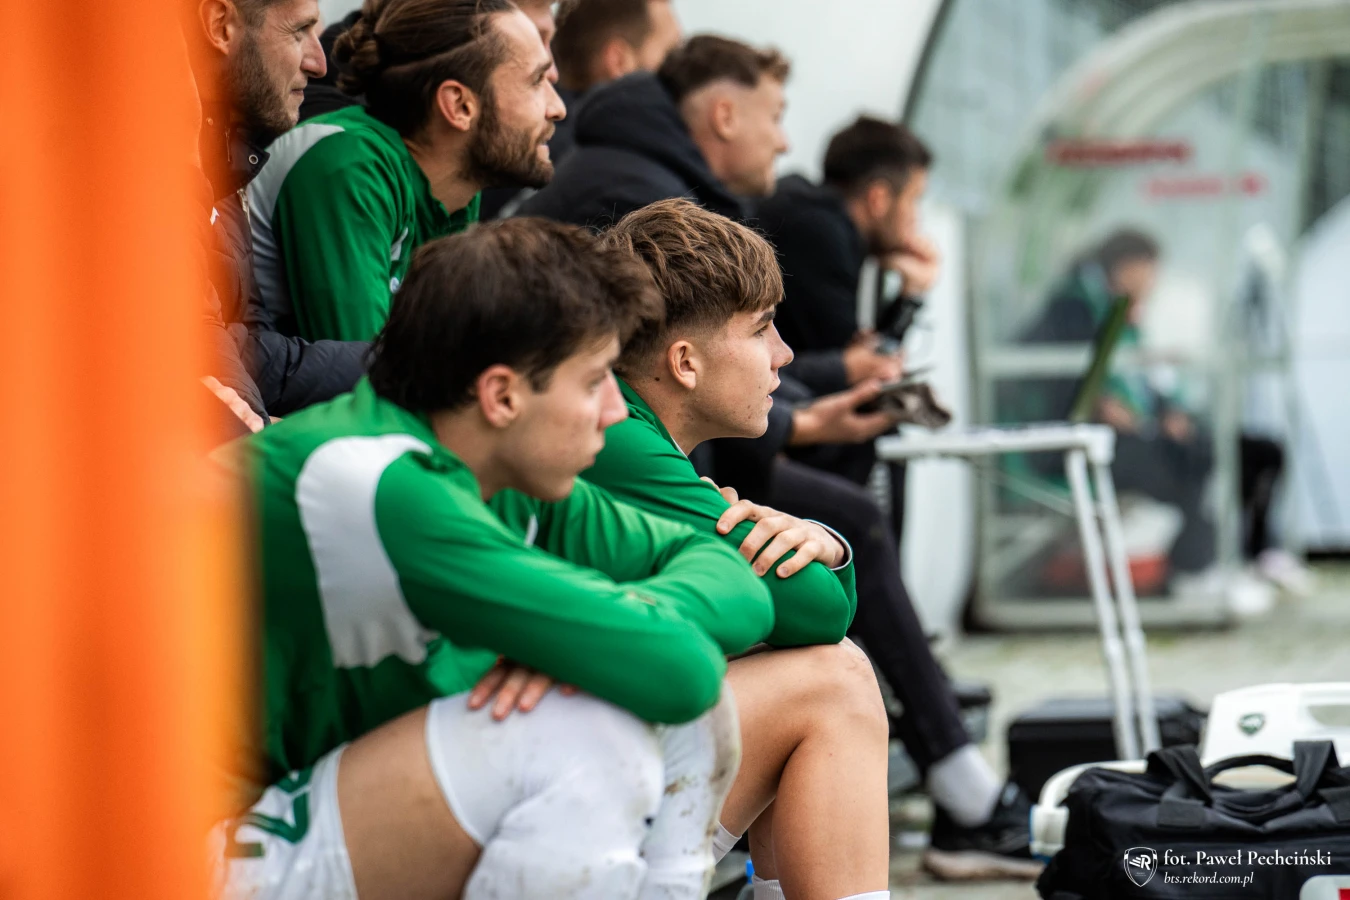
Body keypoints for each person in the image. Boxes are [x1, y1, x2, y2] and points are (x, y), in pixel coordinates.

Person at [215, 219, 770, 899]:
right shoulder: (377, 484)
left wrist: (610, 631)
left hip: (290, 814)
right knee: (586, 730)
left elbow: (741, 587)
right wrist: (606, 640)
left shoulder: (497, 467)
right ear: (502, 396)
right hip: (161, 852)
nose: (615, 412)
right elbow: (683, 669)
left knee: (660, 706)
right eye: (595, 381)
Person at [593, 199, 1042, 884]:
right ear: (684, 362)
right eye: (762, 329)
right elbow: (816, 611)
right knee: (835, 682)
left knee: (804, 669)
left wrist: (826, 543)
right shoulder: (620, 438)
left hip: (569, 773)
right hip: (569, 814)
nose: (785, 355)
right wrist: (826, 556)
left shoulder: (629, 428)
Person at [248, 0, 566, 342]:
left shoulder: (456, 186)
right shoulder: (348, 165)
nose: (558, 108)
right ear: (460, 106)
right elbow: (364, 366)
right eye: (536, 81)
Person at [1026, 229, 1298, 592]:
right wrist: (1102, 407)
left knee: (1257, 452)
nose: (1153, 282)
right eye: (1148, 271)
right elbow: (1070, 385)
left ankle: (1254, 553)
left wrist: (1168, 411)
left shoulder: (1124, 317)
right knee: (1188, 462)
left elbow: (1148, 382)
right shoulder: (1075, 309)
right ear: (1125, 268)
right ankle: (1195, 569)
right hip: (1090, 443)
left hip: (1138, 433)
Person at [183, 0, 371, 417]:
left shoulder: (224, 153)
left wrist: (406, 365)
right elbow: (189, 350)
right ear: (220, 25)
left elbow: (249, 346)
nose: (320, 63)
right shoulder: (144, 162)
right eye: (299, 32)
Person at [755, 116, 938, 535]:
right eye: (913, 200)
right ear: (878, 198)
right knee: (865, 510)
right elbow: (862, 374)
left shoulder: (815, 217)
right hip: (776, 439)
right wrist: (912, 296)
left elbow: (860, 358)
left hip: (780, 420)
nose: (916, 219)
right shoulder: (821, 233)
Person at [521, 33, 788, 225]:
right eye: (775, 118)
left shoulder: (632, 174)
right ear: (725, 117)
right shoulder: (649, 207)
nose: (784, 144)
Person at [548, 0, 683, 163]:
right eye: (671, 54)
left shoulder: (542, 145)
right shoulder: (619, 162)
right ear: (619, 61)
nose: (680, 68)